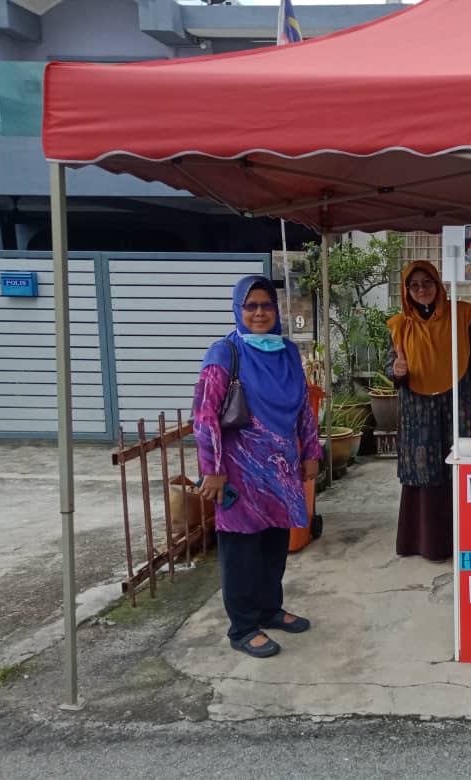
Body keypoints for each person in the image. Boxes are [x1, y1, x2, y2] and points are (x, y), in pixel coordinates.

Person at [193, 275, 322, 658]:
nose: (260, 313)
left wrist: (311, 452)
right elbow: (205, 417)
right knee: (241, 550)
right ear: (238, 309)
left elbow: (302, 407)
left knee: (274, 544)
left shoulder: (286, 353)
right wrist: (212, 468)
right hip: (237, 471)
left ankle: (269, 609)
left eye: (266, 305)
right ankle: (243, 626)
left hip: (279, 470)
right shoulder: (224, 354)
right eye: (251, 306)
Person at [385, 261, 471, 562]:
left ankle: (467, 539)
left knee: (460, 466)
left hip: (457, 405)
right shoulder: (399, 324)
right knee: (423, 469)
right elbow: (390, 366)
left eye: (427, 283)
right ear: (406, 291)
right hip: (417, 411)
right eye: (414, 285)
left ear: (438, 284)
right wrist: (396, 369)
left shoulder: (463, 316)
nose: (422, 289)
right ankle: (425, 543)